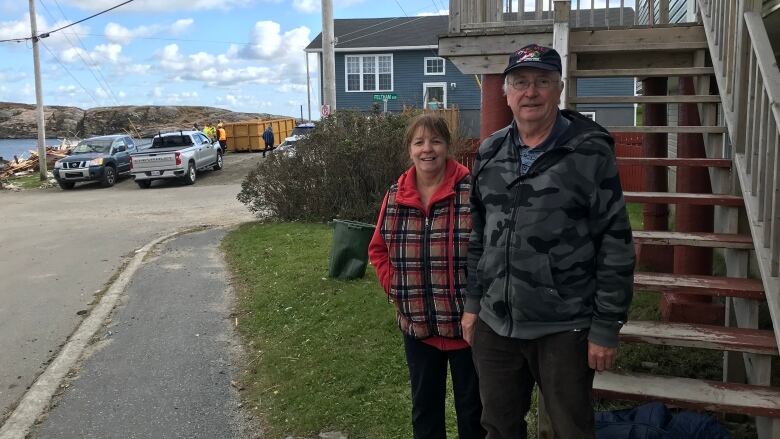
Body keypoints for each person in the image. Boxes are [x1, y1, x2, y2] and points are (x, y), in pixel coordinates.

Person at [462, 43, 635, 439]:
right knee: (498, 427)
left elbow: (615, 240)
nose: (531, 92)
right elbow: (479, 234)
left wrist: (606, 326)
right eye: (520, 82)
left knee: (571, 429)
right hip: (495, 322)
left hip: (564, 325)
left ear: (559, 89)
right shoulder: (490, 151)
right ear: (507, 93)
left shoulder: (588, 149)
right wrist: (473, 303)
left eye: (542, 81)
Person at [369, 114, 486, 439]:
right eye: (419, 142)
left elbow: (488, 251)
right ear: (410, 149)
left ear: (448, 147)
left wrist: (476, 305)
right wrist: (395, 287)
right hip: (417, 327)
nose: (427, 149)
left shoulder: (471, 191)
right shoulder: (395, 195)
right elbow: (378, 249)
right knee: (425, 410)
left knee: (473, 411)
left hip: (466, 327)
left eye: (435, 141)